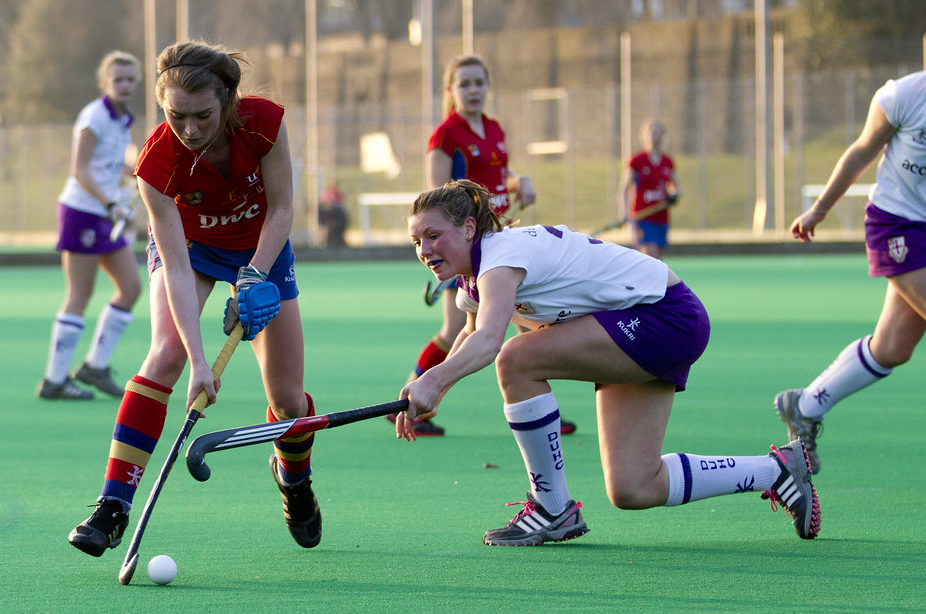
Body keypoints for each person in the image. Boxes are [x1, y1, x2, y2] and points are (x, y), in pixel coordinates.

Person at [395, 180, 820, 546]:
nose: (424, 249)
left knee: (516, 358)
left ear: (469, 228)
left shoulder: (501, 255)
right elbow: (470, 333)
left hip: (665, 315)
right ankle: (777, 470)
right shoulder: (474, 281)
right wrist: (436, 393)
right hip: (635, 323)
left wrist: (432, 379)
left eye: (433, 235)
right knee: (634, 486)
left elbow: (490, 340)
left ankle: (552, 507)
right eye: (417, 241)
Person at [68, 40, 321, 557]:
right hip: (192, 248)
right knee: (167, 355)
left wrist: (253, 275)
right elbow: (177, 267)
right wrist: (201, 362)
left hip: (261, 245)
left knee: (289, 400)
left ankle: (293, 479)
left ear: (227, 100)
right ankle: (112, 506)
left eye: (202, 114)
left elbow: (281, 210)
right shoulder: (157, 162)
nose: (189, 129)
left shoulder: (264, 123)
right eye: (175, 115)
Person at [392, 53, 576, 437]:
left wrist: (519, 182)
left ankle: (544, 413)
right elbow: (435, 198)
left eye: (479, 82)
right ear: (451, 91)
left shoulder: (493, 128)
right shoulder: (445, 136)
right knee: (456, 327)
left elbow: (499, 176)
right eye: (464, 84)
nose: (473, 90)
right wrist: (440, 247)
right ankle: (408, 400)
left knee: (529, 327)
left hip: (502, 242)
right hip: (467, 247)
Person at [775, 70, 926, 475]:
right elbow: (861, 151)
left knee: (893, 347)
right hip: (899, 225)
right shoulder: (904, 96)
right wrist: (818, 209)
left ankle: (804, 405)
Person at [37, 51, 143, 400]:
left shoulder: (123, 119)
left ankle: (95, 366)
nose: (125, 85)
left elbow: (110, 165)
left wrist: (138, 176)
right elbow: (80, 170)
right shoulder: (93, 116)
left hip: (104, 213)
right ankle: (54, 380)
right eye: (118, 80)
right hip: (82, 212)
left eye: (130, 79)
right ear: (104, 83)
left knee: (130, 289)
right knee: (80, 295)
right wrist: (110, 203)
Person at [618, 120, 679, 260]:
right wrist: (624, 212)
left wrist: (674, 195)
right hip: (642, 218)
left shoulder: (668, 162)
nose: (653, 136)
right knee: (650, 258)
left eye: (657, 133)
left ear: (663, 136)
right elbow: (624, 189)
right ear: (644, 136)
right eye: (650, 133)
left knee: (658, 262)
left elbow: (675, 186)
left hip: (661, 217)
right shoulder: (637, 161)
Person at [318, 179, 348, 247]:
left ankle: (337, 242)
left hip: (336, 218)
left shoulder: (337, 194)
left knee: (335, 233)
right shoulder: (329, 193)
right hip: (331, 217)